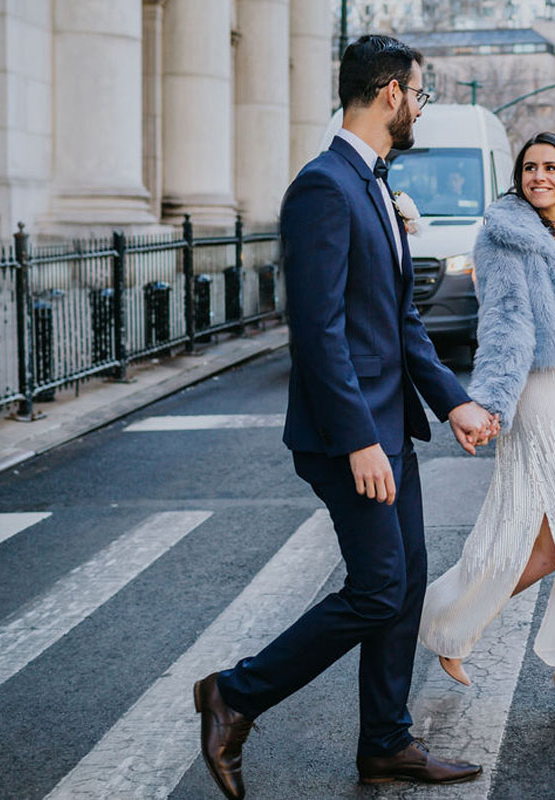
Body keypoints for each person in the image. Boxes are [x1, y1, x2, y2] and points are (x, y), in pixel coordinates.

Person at [192, 35, 498, 799]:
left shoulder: (373, 184)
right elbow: (319, 330)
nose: (420, 108)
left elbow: (398, 322)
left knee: (407, 577)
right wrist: (360, 438)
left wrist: (452, 399)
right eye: (420, 94)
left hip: (390, 424)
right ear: (391, 93)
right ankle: (235, 694)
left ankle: (386, 744)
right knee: (378, 587)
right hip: (351, 435)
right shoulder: (325, 187)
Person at [418, 131, 555, 715]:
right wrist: (490, 403)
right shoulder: (505, 239)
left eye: (551, 167)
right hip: (537, 396)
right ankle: (454, 625)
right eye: (529, 168)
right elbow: (504, 327)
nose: (538, 177)